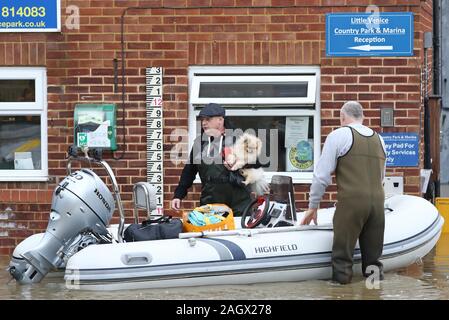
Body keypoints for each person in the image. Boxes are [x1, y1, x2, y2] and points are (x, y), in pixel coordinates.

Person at [301, 101, 387, 284]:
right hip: (378, 204)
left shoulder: (338, 135)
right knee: (373, 261)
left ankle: (341, 292)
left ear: (342, 117)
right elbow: (381, 178)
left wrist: (312, 206)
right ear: (362, 117)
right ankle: (374, 292)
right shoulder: (380, 139)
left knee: (342, 258)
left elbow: (321, 176)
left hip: (352, 204)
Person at [171, 103, 253, 216]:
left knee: (240, 232)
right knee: (211, 232)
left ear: (220, 120)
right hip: (211, 201)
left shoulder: (239, 139)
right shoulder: (199, 143)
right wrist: (178, 195)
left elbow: (257, 164)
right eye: (202, 119)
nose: (204, 123)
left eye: (208, 119)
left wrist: (240, 164)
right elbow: (189, 171)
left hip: (239, 202)